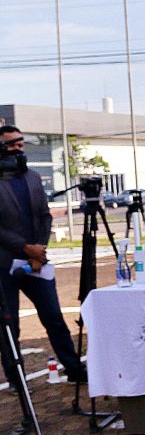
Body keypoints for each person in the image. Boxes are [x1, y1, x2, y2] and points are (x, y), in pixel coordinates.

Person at [0, 125, 86, 387]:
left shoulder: (34, 178)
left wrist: (39, 248)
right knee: (9, 327)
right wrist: (26, 247)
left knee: (54, 318)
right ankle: (17, 380)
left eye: (21, 143)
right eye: (12, 144)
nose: (19, 148)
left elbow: (45, 216)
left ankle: (73, 368)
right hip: (5, 265)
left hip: (37, 262)